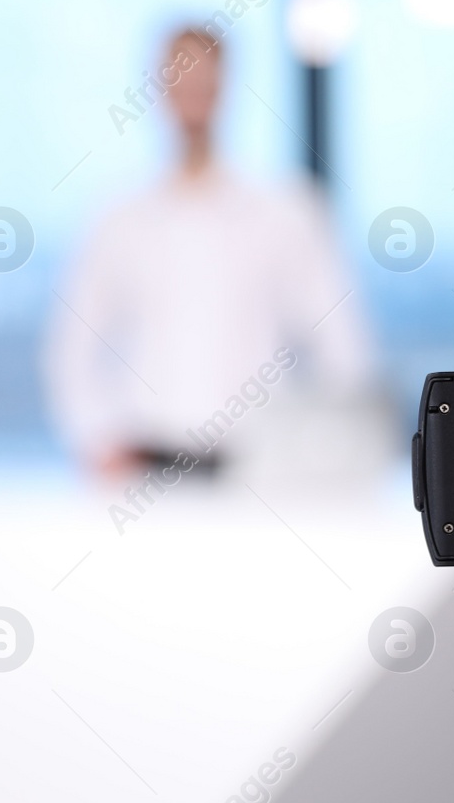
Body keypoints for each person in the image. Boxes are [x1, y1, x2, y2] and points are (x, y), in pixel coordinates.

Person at [45, 27, 371, 477]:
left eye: (204, 78)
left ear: (225, 85)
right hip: (143, 471)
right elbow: (71, 349)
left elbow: (343, 350)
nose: (192, 93)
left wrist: (327, 456)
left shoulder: (286, 213)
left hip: (258, 471)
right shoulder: (117, 219)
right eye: (179, 77)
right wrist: (99, 440)